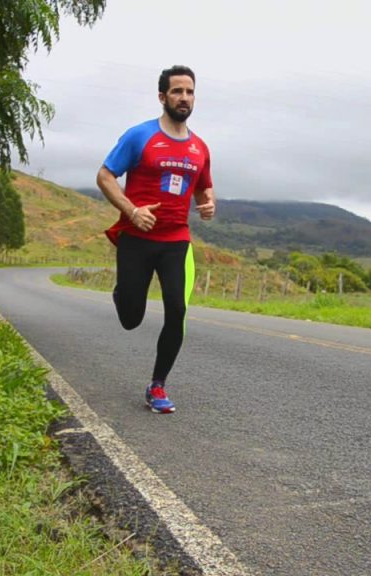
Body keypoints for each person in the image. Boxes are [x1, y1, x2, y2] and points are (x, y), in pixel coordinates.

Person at [96, 65, 215, 414]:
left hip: (176, 241)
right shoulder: (139, 136)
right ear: (162, 96)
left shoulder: (200, 148)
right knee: (131, 318)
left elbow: (204, 187)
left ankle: (158, 385)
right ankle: (123, 294)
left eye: (190, 92)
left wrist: (208, 205)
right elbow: (105, 176)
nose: (184, 98)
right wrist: (132, 211)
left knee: (177, 311)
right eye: (177, 91)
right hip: (137, 237)